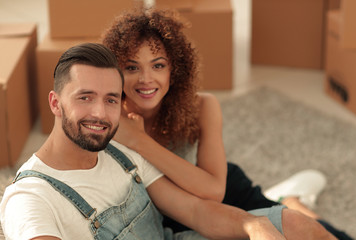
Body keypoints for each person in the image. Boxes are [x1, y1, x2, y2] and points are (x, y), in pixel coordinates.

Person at [0, 42, 337, 240]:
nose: (100, 114)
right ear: (55, 103)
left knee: (293, 225)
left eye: (111, 99)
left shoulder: (117, 147)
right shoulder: (29, 199)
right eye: (85, 97)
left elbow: (193, 208)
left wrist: (253, 223)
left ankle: (289, 205)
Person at [102, 8, 353, 240]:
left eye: (158, 65)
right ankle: (292, 202)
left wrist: (140, 141)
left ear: (174, 69)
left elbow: (214, 191)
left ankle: (291, 202)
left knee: (313, 231)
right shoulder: (111, 122)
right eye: (131, 67)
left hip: (228, 195)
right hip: (180, 216)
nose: (146, 79)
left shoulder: (202, 106)